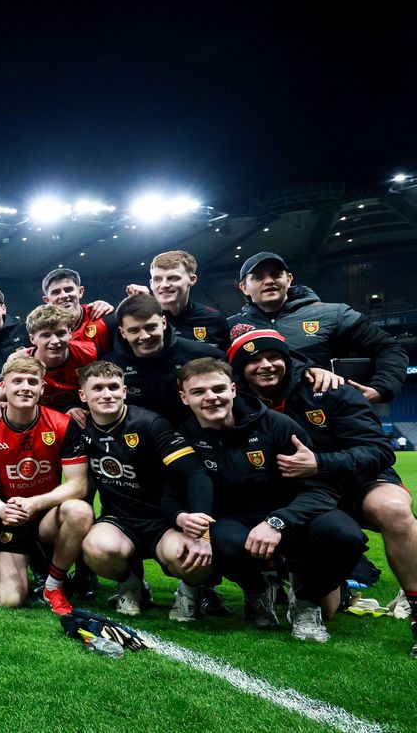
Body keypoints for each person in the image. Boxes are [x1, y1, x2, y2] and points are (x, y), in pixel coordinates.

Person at [229, 330, 417, 654]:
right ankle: (292, 581)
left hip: (355, 481)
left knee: (393, 509)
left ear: (287, 358)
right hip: (303, 492)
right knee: (327, 610)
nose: (266, 365)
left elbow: (379, 451)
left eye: (273, 356)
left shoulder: (327, 389)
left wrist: (320, 463)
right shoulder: (238, 401)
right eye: (254, 360)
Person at [176, 357, 366, 642]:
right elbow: (173, 492)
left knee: (347, 537)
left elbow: (321, 489)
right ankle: (257, 590)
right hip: (236, 520)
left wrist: (279, 521)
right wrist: (183, 517)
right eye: (199, 392)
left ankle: (306, 602)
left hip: (293, 516)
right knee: (221, 542)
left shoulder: (277, 425)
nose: (211, 398)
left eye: (218, 389)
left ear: (233, 390)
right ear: (184, 398)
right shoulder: (184, 436)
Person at [76, 360, 214, 616]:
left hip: (165, 521)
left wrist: (202, 531)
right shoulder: (79, 428)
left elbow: (195, 472)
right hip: (120, 520)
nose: (107, 394)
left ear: (125, 391)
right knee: (96, 549)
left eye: (114, 387)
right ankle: (131, 585)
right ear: (83, 395)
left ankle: (189, 590)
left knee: (195, 560)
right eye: (98, 388)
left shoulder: (149, 424)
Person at [0, 355, 91, 615]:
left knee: (80, 510)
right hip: (10, 518)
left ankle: (53, 584)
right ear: (3, 387)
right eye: (17, 381)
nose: (25, 387)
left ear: (42, 387)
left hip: (46, 516)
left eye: (32, 381)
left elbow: (77, 485)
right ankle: (1, 562)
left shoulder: (62, 424)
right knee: (9, 599)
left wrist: (35, 503)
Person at [228, 252, 407, 403]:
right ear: (243, 287)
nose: (268, 281)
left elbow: (388, 348)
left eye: (276, 274)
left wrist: (381, 389)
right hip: (262, 427)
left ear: (289, 279)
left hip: (327, 423)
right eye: (258, 277)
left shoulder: (335, 314)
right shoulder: (230, 327)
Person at [106, 293, 224, 424]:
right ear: (123, 332)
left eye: (151, 327)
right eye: (134, 331)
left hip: (197, 437)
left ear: (163, 323)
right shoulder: (109, 368)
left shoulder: (204, 355)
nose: (144, 336)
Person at [126, 250, 231, 351]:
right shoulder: (137, 319)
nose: (164, 285)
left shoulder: (214, 319)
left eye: (173, 278)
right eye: (157, 279)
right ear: (151, 283)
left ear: (192, 279)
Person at [41, 268, 116, 354]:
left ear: (80, 292)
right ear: (47, 300)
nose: (64, 295)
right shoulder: (40, 329)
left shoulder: (103, 316)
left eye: (68, 290)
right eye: (56, 292)